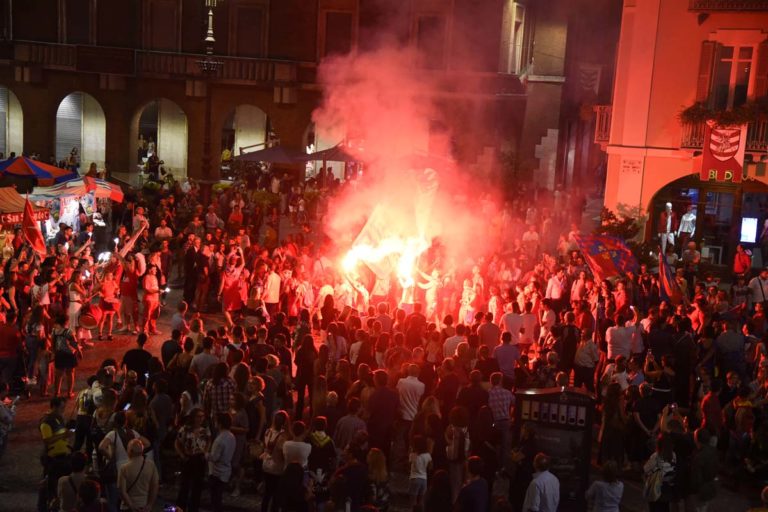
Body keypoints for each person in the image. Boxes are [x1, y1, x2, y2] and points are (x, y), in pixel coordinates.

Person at [175, 407, 210, 512]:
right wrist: (182, 455)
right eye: (198, 416)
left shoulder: (205, 430)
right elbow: (177, 442)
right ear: (193, 417)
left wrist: (205, 452)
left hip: (199, 458)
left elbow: (209, 440)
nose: (200, 419)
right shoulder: (185, 429)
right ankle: (180, 508)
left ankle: (193, 508)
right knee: (185, 485)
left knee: (197, 486)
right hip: (189, 458)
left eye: (202, 416)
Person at [40, 397, 73, 509]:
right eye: (61, 407)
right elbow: (47, 440)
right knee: (50, 487)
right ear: (54, 406)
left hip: (64, 457)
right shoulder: (46, 422)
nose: (63, 410)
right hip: (53, 459)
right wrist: (63, 435)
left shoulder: (59, 418)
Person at [118, 438, 159, 512]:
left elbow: (122, 491)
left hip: (127, 507)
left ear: (130, 451)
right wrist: (150, 505)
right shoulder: (151, 465)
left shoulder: (124, 468)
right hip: (144, 506)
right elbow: (155, 486)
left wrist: (131, 506)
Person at [207, 412, 236, 512]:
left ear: (219, 424)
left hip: (216, 473)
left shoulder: (219, 440)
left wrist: (204, 454)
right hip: (226, 471)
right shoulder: (232, 436)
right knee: (218, 498)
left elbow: (214, 457)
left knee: (215, 500)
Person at [52, 315, 81, 398]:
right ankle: (69, 392)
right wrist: (79, 351)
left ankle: (57, 392)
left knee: (58, 374)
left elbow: (52, 342)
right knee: (70, 373)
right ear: (66, 322)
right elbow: (74, 343)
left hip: (59, 354)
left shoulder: (54, 331)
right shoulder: (68, 332)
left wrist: (54, 352)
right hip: (69, 354)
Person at [408, 434, 431, 508]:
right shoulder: (427, 455)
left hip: (414, 478)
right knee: (421, 501)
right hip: (424, 479)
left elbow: (409, 465)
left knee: (413, 501)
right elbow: (430, 466)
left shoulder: (413, 455)